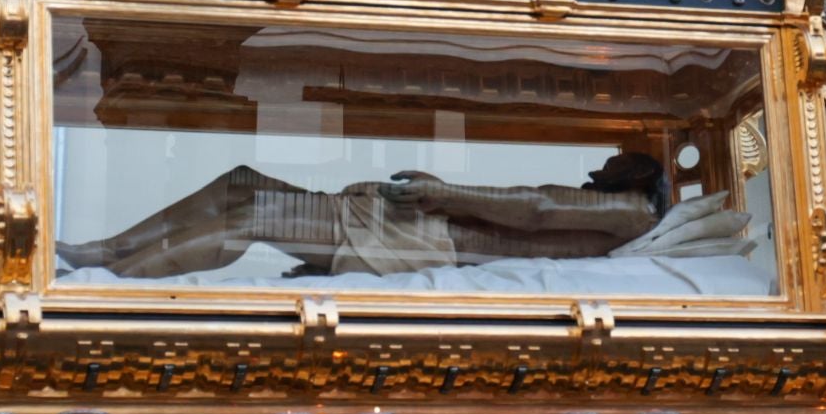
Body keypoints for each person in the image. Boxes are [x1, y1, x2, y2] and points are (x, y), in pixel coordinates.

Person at [57, 153, 749, 280]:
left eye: (617, 160)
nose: (601, 167)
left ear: (645, 178)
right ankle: (108, 250)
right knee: (243, 185)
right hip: (423, 222)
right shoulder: (620, 203)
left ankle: (119, 280)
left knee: (249, 217)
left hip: (430, 233)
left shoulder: (629, 211)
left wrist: (446, 195)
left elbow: (537, 212)